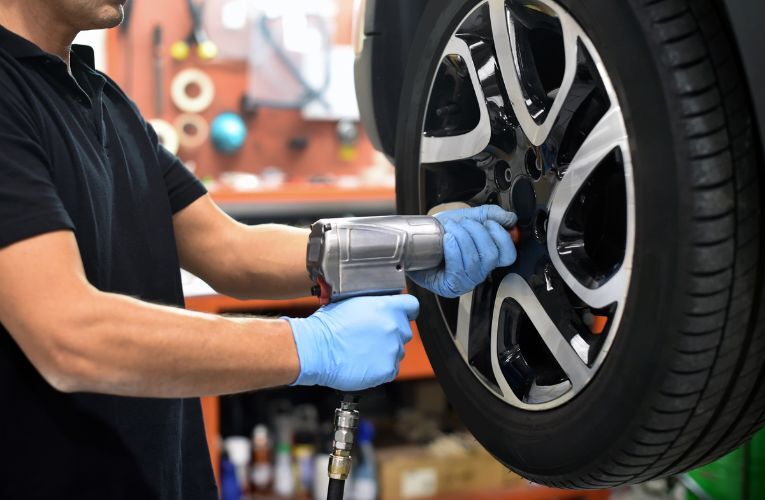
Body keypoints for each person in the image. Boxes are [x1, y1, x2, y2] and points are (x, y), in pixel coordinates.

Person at [0, 0, 518, 498]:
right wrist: (309, 346)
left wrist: (413, 247)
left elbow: (229, 249)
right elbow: (69, 335)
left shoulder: (104, 101)